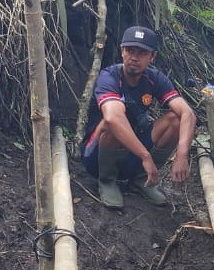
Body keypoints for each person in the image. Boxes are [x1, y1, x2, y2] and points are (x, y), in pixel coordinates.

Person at [81, 26, 196, 210]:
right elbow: (112, 118)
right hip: (96, 156)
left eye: (142, 53)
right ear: (122, 51)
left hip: (131, 153)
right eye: (130, 50)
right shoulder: (109, 76)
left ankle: (141, 179)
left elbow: (187, 113)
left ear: (152, 57)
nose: (134, 57)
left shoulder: (154, 78)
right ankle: (107, 180)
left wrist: (182, 155)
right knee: (113, 122)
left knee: (175, 119)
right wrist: (145, 155)